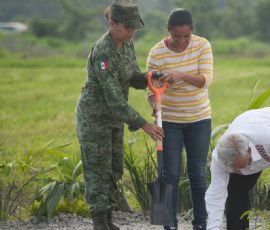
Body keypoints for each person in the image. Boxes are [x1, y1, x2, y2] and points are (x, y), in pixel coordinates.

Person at [75, 1, 164, 229]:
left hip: (115, 119)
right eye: (127, 27)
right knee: (98, 170)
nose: (131, 31)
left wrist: (148, 78)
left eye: (134, 27)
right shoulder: (103, 51)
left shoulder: (127, 44)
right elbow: (114, 98)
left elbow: (131, 75)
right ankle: (99, 222)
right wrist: (145, 125)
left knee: (115, 168)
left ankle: (109, 221)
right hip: (95, 118)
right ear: (111, 22)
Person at [146, 8, 214, 230]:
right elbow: (151, 89)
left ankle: (200, 224)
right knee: (170, 175)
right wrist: (155, 106)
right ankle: (170, 225)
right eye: (177, 36)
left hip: (199, 119)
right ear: (168, 32)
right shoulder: (156, 54)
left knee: (197, 173)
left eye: (186, 36)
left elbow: (205, 80)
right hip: (170, 121)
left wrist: (180, 75)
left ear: (192, 32)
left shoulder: (202, 45)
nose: (182, 41)